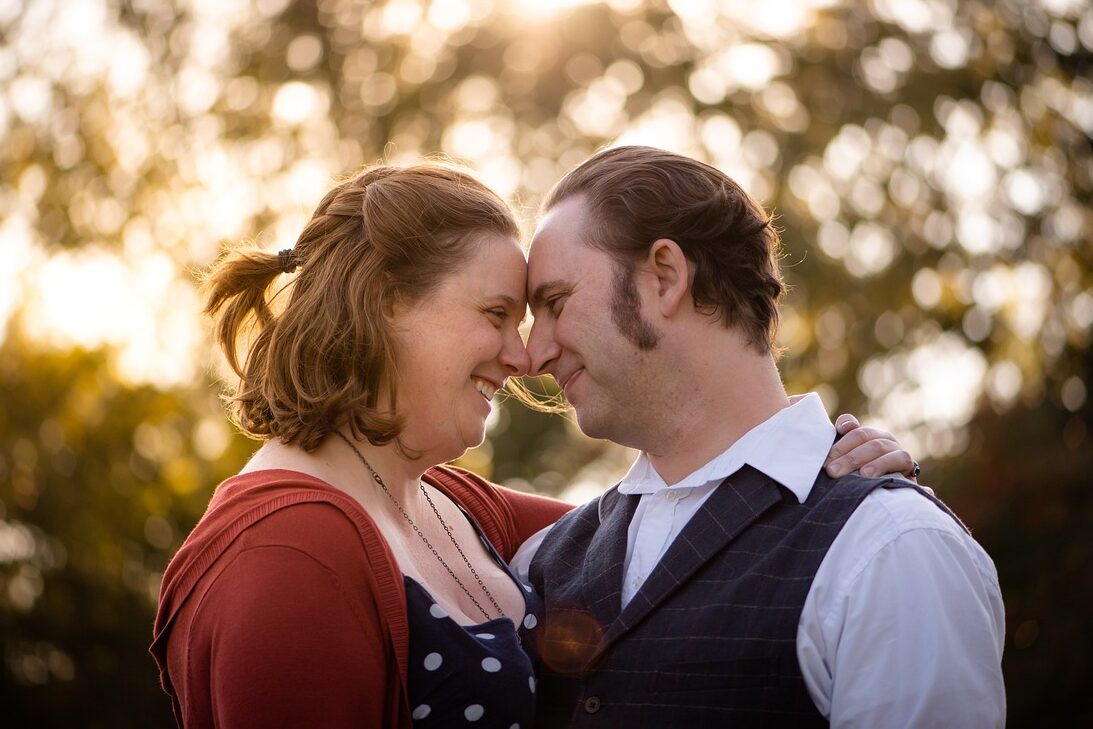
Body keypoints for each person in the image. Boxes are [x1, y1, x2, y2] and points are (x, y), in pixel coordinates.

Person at [149, 161, 913, 728]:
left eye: (539, 312)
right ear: (384, 300)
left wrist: (839, 462)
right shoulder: (285, 553)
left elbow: (688, 525)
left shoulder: (460, 509)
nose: (523, 357)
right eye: (497, 313)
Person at [512, 146, 1006, 728]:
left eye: (555, 303)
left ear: (666, 278)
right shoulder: (537, 561)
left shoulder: (892, 548)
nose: (532, 354)